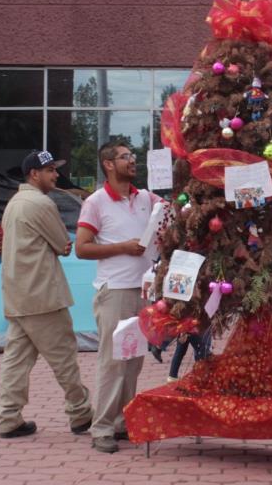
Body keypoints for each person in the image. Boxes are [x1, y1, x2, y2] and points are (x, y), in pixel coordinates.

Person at [0, 150, 93, 440]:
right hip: (43, 295)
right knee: (64, 358)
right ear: (33, 174)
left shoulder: (14, 203)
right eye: (49, 170)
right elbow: (64, 244)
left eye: (54, 169)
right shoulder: (41, 203)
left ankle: (8, 417)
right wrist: (58, 244)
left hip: (17, 294)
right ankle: (81, 413)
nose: (55, 175)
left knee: (16, 361)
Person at [76, 142, 162, 454]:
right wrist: (123, 247)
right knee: (113, 362)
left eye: (133, 156)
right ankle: (101, 429)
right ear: (108, 164)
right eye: (125, 157)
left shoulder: (146, 199)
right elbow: (82, 248)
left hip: (144, 292)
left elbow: (169, 221)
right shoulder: (96, 202)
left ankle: (123, 423)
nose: (132, 160)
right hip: (115, 291)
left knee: (133, 361)